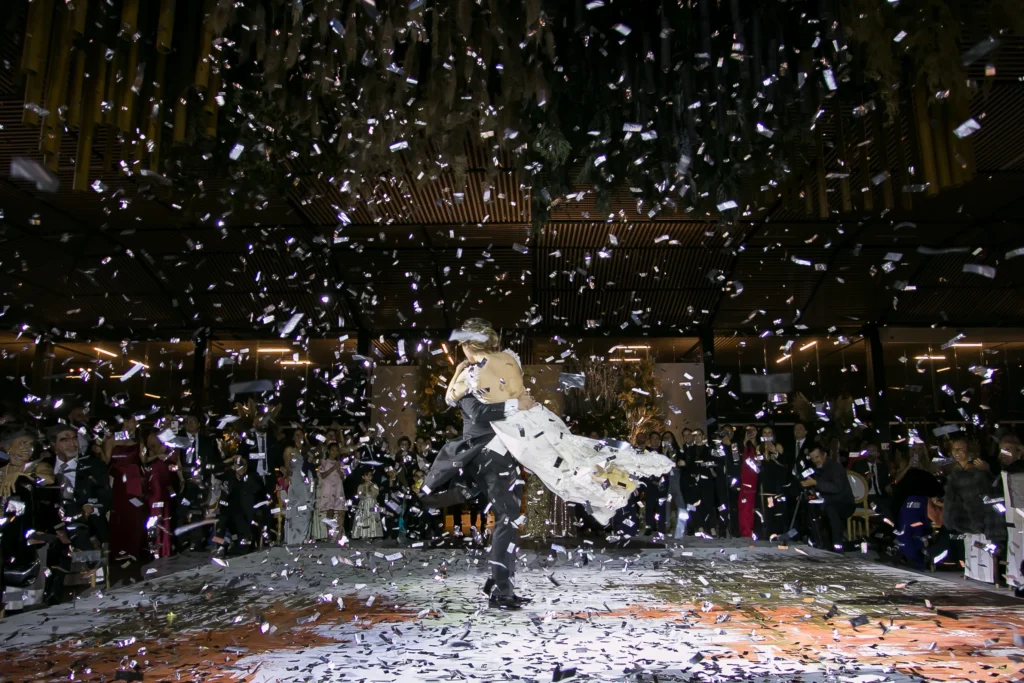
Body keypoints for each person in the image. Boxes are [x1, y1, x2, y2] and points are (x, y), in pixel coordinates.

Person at [47, 423, 110, 604]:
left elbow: (105, 497)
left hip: (86, 521)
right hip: (52, 522)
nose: (72, 444)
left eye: (74, 439)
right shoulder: (45, 466)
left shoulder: (93, 465)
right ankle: (51, 591)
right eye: (64, 440)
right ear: (53, 445)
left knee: (75, 526)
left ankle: (88, 579)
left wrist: (90, 506)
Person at [1, 427, 55, 611]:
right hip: (6, 533)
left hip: (32, 532)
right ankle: (10, 609)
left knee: (29, 577)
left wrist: (21, 475)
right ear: (7, 447)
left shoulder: (38, 466)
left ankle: (29, 609)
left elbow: (47, 480)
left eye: (30, 444)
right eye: (22, 443)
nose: (28, 448)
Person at [943, 437, 994, 581]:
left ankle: (985, 574)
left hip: (976, 514)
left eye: (961, 448)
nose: (956, 452)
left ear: (969, 451)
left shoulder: (977, 470)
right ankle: (971, 572)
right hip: (961, 515)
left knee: (981, 545)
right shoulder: (954, 471)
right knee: (969, 544)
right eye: (954, 449)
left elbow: (986, 490)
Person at [104, 415, 148, 578]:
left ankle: (134, 550)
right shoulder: (111, 440)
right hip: (118, 483)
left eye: (136, 422)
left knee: (135, 515)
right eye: (131, 421)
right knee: (120, 514)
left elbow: (144, 462)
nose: (134, 424)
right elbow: (105, 461)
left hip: (134, 481)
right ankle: (118, 551)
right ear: (123, 421)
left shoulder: (138, 442)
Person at [800, 445, 855, 552]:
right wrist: (812, 490)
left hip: (844, 502)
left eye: (817, 457)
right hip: (826, 502)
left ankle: (837, 544)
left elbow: (836, 488)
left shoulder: (835, 467)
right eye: (812, 458)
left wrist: (816, 483)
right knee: (809, 506)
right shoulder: (816, 469)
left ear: (824, 455)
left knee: (831, 509)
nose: (815, 460)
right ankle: (816, 541)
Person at [143, 430, 182, 559]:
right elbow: (145, 458)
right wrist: (158, 455)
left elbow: (177, 462)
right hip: (156, 478)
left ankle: (166, 547)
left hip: (169, 479)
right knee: (156, 511)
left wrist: (182, 479)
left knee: (168, 512)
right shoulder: (153, 437)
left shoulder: (174, 440)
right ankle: (156, 546)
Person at [758, 426, 793, 541]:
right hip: (765, 480)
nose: (767, 434)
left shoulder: (778, 446)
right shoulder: (759, 447)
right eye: (765, 432)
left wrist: (775, 453)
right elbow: (758, 464)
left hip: (777, 481)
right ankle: (767, 532)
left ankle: (779, 532)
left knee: (777, 507)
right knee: (767, 506)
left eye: (769, 432)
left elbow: (784, 463)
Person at [281, 428, 314, 546]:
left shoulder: (306, 451)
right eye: (297, 435)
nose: (299, 437)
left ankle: (305, 536)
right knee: (297, 507)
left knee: (308, 507)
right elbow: (287, 466)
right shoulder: (290, 450)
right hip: (296, 478)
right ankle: (294, 538)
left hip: (308, 479)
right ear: (293, 437)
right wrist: (287, 478)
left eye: (301, 435)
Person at [852, 443, 892, 522]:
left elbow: (886, 483)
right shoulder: (858, 465)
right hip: (866, 497)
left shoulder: (883, 468)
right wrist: (865, 479)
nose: (870, 453)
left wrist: (888, 487)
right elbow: (854, 483)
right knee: (882, 507)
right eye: (868, 451)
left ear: (877, 454)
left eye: (872, 451)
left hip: (881, 496)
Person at [317, 442, 347, 541]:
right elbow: (323, 475)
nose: (335, 452)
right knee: (330, 512)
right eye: (333, 450)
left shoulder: (340, 464)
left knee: (341, 511)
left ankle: (339, 535)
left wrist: (338, 470)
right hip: (329, 489)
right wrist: (334, 468)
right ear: (329, 451)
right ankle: (330, 535)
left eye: (336, 450)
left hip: (338, 488)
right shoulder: (324, 462)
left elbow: (343, 477)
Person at [737, 425, 759, 538]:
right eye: (748, 431)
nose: (751, 433)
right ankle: (745, 531)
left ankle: (756, 530)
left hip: (757, 480)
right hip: (744, 481)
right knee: (745, 507)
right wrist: (744, 443)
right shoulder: (741, 446)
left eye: (753, 430)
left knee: (755, 506)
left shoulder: (760, 446)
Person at [351, 470, 383, 539]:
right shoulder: (360, 486)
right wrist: (363, 494)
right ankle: (362, 533)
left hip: (372, 503)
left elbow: (376, 494)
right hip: (363, 503)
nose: (369, 477)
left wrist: (370, 491)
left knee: (373, 516)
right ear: (363, 477)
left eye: (370, 475)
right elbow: (359, 494)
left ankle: (373, 533)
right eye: (367, 475)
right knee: (362, 516)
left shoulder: (374, 485)